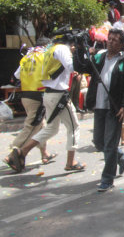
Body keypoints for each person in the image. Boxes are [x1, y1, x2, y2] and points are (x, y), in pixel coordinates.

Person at [6, 35, 85, 173]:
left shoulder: (33, 56)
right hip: (50, 94)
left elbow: (16, 76)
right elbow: (71, 67)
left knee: (49, 128)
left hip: (36, 94)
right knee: (71, 127)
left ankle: (29, 153)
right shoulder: (58, 51)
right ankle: (16, 153)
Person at [73, 28, 124, 192]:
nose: (111, 41)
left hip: (114, 108)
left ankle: (107, 179)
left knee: (109, 144)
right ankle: (121, 156)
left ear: (122, 44)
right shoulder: (99, 57)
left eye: (115, 40)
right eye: (110, 39)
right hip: (99, 105)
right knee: (99, 142)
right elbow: (81, 66)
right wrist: (79, 48)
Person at [3, 38, 56, 168]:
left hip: (26, 95)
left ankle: (44, 153)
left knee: (41, 124)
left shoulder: (27, 58)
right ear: (46, 46)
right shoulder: (45, 56)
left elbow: (16, 76)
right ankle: (13, 153)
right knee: (32, 126)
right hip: (38, 96)